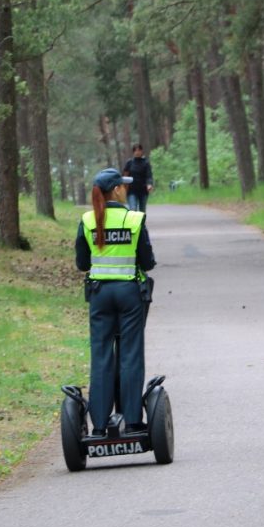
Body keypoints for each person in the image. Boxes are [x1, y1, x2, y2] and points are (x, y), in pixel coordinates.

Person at [75, 167, 156, 435]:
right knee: (130, 355)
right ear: (118, 190)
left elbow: (82, 263)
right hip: (129, 294)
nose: (127, 189)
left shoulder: (88, 221)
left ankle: (99, 424)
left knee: (101, 357)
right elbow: (148, 263)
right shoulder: (134, 219)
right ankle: (132, 420)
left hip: (99, 296)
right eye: (124, 186)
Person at [123, 143, 154, 212]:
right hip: (131, 191)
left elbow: (149, 176)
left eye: (139, 150)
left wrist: (149, 184)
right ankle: (133, 223)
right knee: (133, 209)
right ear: (133, 152)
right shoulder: (129, 163)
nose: (137, 152)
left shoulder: (146, 163)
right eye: (135, 151)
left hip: (143, 191)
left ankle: (142, 223)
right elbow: (124, 176)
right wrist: (123, 187)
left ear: (142, 151)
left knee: (142, 210)